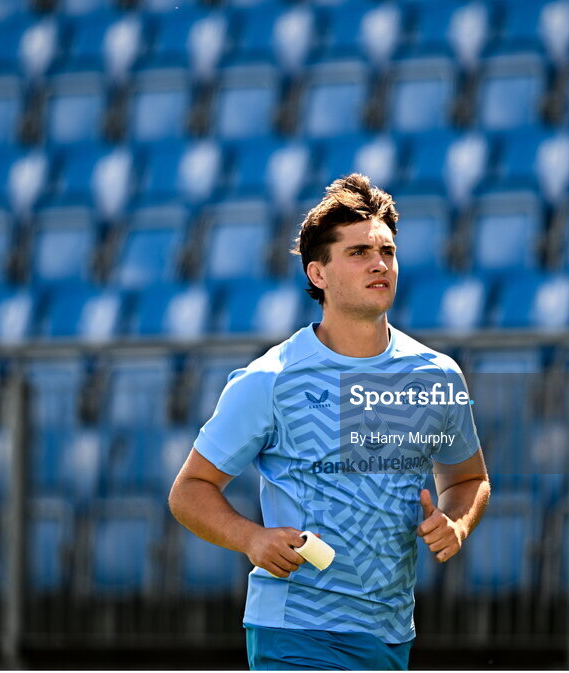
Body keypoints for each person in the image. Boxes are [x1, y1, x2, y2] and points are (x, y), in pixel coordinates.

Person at [169, 173, 490, 671]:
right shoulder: (270, 379)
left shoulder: (437, 374)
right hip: (295, 631)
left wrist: (457, 523)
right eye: (359, 252)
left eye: (387, 251)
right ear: (318, 275)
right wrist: (251, 538)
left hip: (390, 632)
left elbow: (469, 479)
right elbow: (190, 489)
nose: (379, 263)